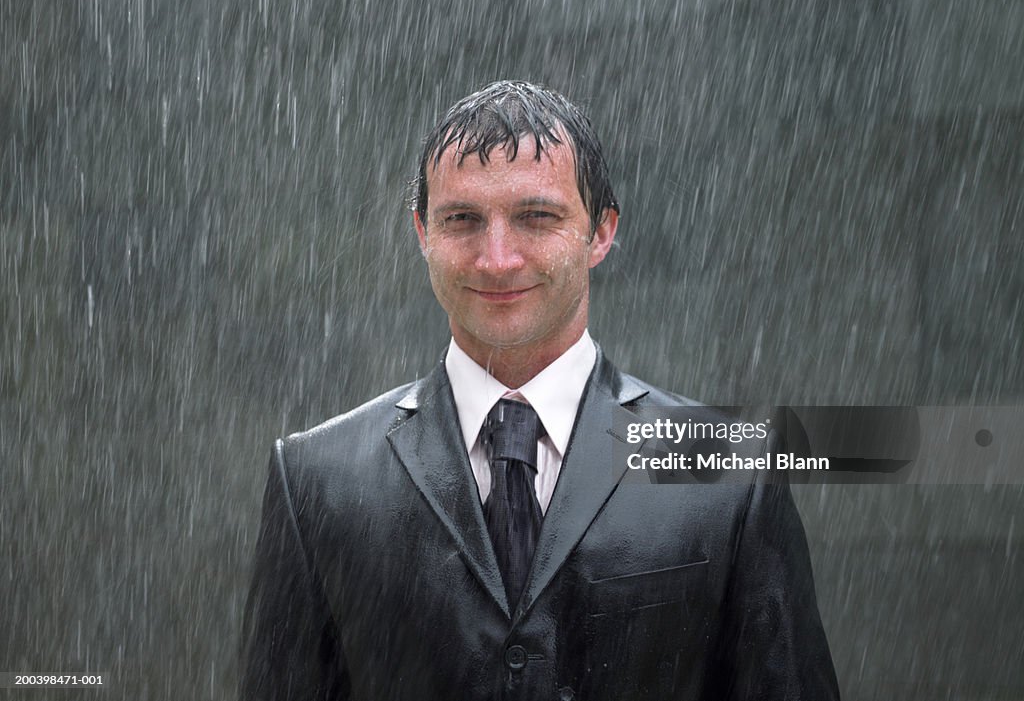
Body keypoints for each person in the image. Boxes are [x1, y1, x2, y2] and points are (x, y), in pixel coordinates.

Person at [240, 80, 840, 700]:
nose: (497, 259)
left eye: (536, 217)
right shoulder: (316, 479)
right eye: (462, 220)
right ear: (423, 234)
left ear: (600, 233)